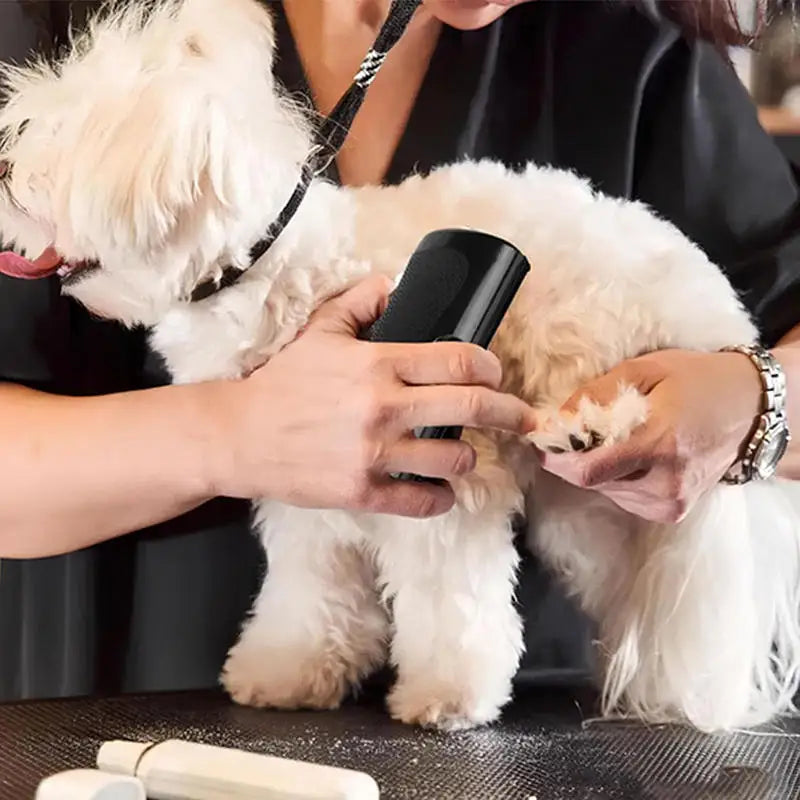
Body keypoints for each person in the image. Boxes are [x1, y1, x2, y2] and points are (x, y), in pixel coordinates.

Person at [0, 0, 798, 703]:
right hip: (130, 708)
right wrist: (236, 435)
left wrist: (756, 401)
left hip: (549, 730)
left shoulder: (640, 42)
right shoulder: (66, 26)